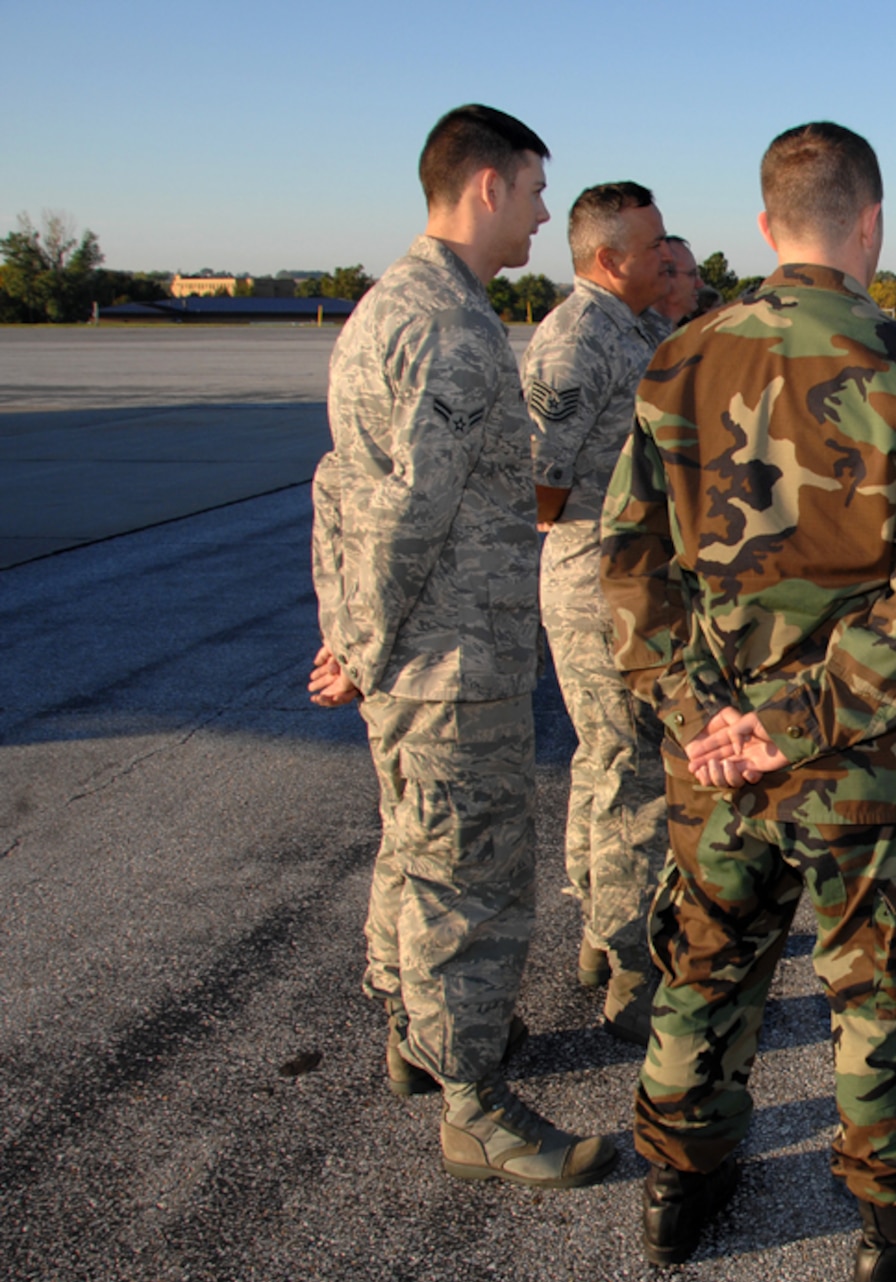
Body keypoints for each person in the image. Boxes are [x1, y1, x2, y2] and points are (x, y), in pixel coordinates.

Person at [599, 121, 896, 1282]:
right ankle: (892, 1236)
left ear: (765, 222)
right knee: (876, 991)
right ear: (869, 222)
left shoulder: (677, 359)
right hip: (854, 761)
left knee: (703, 965)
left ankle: (677, 1193)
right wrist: (803, 717)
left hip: (714, 753)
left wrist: (700, 715)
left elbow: (624, 567)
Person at [308, 105, 615, 1189]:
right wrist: (360, 638)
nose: (541, 213)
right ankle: (472, 1104)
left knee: (416, 849)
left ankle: (417, 1040)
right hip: (449, 662)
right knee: (470, 879)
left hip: (419, 652)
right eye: (534, 191)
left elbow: (338, 490)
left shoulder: (388, 308)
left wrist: (347, 632)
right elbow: (405, 508)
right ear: (487, 185)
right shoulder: (450, 327)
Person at [523, 181, 677, 1044]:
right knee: (628, 774)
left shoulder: (640, 327)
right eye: (654, 245)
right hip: (596, 583)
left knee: (606, 761)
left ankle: (596, 934)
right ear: (609, 257)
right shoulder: (576, 340)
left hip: (636, 578)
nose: (668, 256)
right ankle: (629, 970)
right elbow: (541, 480)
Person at [641, 234, 705, 341]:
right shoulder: (636, 339)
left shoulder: (689, 338)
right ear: (665, 275)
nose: (700, 284)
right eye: (692, 274)